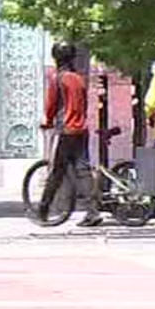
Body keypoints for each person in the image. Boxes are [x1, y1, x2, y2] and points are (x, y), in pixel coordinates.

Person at [37, 42, 101, 227]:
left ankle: (43, 209)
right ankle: (93, 211)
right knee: (83, 170)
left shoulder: (58, 78)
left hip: (66, 130)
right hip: (81, 129)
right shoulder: (78, 79)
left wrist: (47, 122)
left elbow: (51, 106)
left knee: (57, 171)